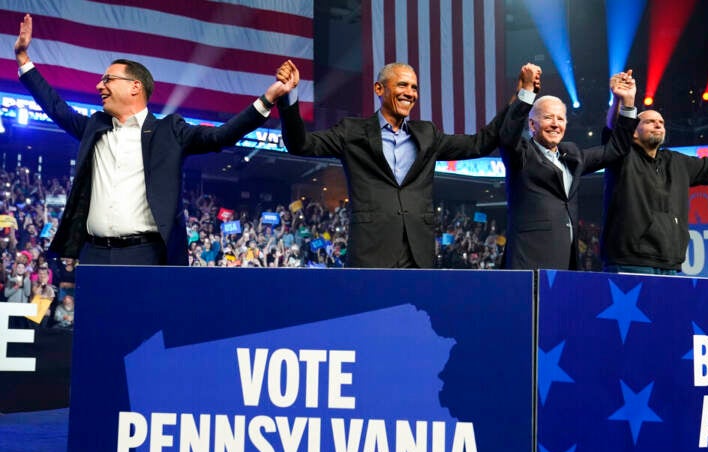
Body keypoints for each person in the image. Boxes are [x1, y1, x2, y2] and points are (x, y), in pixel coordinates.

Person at [13, 14, 293, 265]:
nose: (99, 86)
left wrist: (267, 100)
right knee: (96, 325)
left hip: (144, 255)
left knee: (142, 325)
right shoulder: (94, 126)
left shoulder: (170, 131)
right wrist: (24, 59)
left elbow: (223, 134)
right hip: (93, 254)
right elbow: (55, 107)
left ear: (135, 86)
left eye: (107, 79)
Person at [275, 60, 509, 268]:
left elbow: (480, 143)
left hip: (418, 258)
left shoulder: (428, 134)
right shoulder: (352, 131)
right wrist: (289, 97)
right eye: (402, 85)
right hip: (370, 256)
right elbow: (301, 145)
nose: (410, 93)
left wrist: (521, 99)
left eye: (414, 87)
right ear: (379, 89)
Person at [499, 64, 638, 270]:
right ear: (531, 125)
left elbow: (616, 149)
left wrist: (626, 102)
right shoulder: (521, 154)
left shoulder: (572, 157)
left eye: (560, 119)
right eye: (548, 117)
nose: (555, 124)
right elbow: (507, 134)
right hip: (528, 261)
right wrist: (526, 93)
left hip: (567, 262)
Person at [600, 100, 708, 274]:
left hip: (670, 264)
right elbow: (614, 129)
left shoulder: (677, 161)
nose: (658, 125)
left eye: (661, 123)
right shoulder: (621, 155)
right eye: (650, 122)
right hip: (630, 262)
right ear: (634, 132)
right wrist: (621, 100)